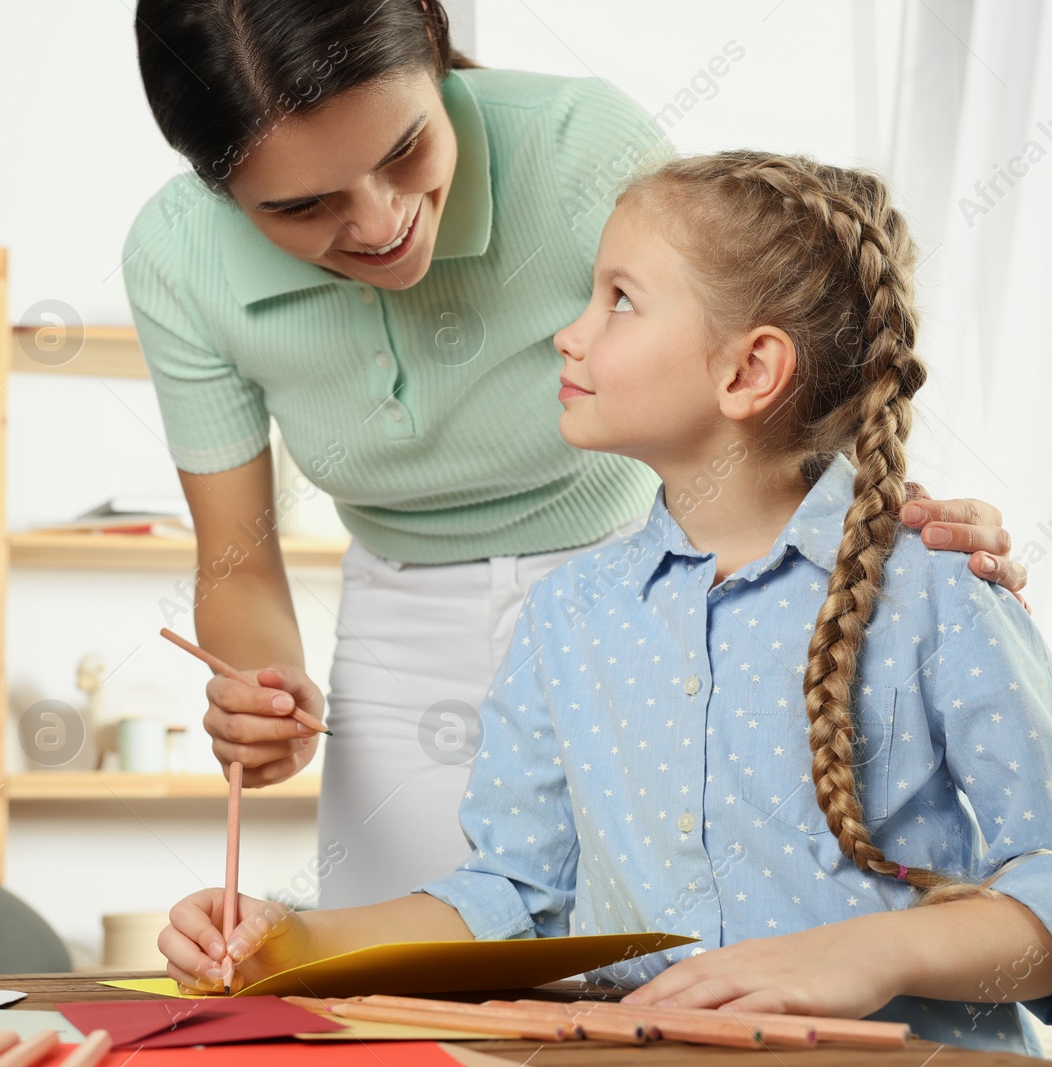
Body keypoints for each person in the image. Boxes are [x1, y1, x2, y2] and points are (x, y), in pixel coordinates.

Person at [125, 0, 1029, 908]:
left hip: (639, 580)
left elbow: (756, 327)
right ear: (219, 191)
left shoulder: (578, 148)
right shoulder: (178, 259)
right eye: (303, 204)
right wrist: (266, 693)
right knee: (407, 966)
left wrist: (877, 512)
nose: (380, 221)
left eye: (404, 151)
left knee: (659, 922)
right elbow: (235, 561)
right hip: (408, 617)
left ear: (437, 56)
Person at [154, 149, 1052, 1054]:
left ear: (749, 371)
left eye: (618, 299)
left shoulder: (939, 583)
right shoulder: (569, 616)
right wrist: (289, 941)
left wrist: (874, 952)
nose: (569, 334)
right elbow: (512, 895)